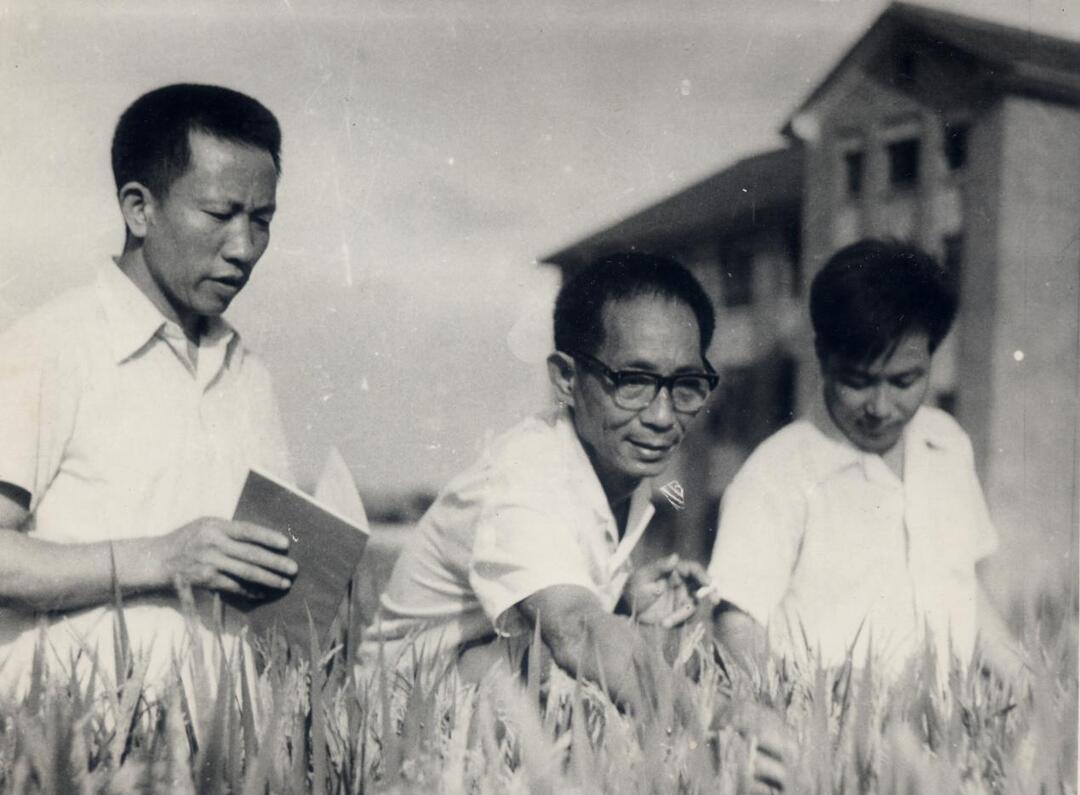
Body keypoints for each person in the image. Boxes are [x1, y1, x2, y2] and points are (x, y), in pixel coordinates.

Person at [364, 253, 792, 792]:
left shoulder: (615, 469)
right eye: (632, 381)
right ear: (566, 378)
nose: (662, 417)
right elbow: (574, 630)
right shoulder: (525, 477)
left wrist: (623, 602)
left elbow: (563, 620)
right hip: (395, 738)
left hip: (489, 718)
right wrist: (714, 717)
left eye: (685, 384)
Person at [0, 84, 298, 693]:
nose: (244, 248)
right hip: (72, 731)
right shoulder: (49, 345)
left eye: (261, 221)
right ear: (139, 209)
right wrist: (160, 559)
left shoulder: (250, 374)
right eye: (219, 215)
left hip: (224, 734)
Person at [708, 239, 1025, 683]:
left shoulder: (946, 444)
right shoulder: (777, 472)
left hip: (942, 711)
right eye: (858, 381)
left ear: (931, 356)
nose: (880, 407)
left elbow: (964, 587)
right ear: (823, 358)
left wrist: (1027, 681)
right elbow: (737, 623)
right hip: (825, 709)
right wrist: (790, 699)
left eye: (904, 381)